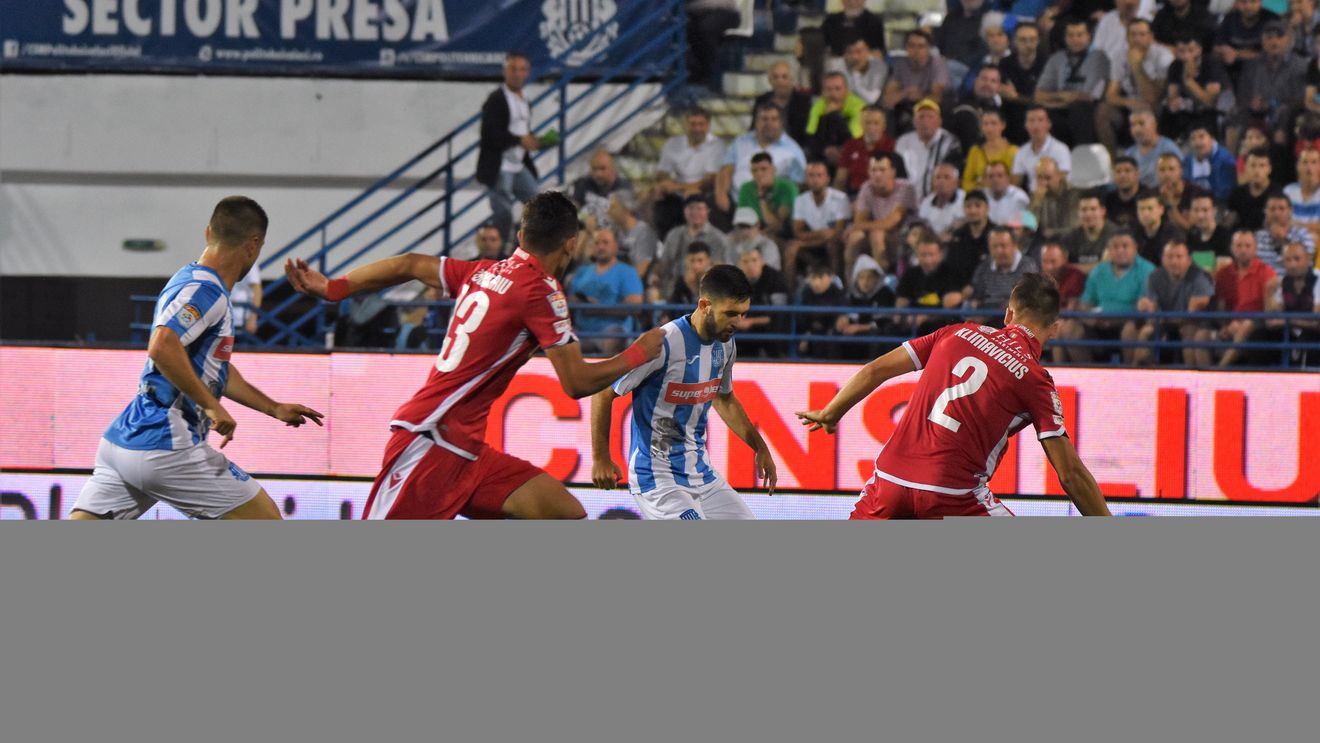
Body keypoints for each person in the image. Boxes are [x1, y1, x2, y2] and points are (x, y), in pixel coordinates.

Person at [285, 191, 664, 519]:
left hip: (466, 450)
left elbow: (409, 263)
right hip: (430, 439)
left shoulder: (483, 271)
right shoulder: (541, 291)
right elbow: (577, 382)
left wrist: (336, 287)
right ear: (570, 244)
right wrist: (639, 352)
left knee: (564, 512)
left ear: (520, 235)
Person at [73, 197, 324, 520]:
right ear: (253, 246)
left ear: (208, 232)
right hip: (167, 445)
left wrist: (272, 408)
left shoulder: (188, 280)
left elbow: (214, 369)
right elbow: (162, 346)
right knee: (266, 520)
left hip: (123, 443)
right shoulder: (207, 292)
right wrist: (211, 404)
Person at [797, 273, 1111, 518]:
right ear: (1054, 329)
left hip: (888, 482)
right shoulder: (1036, 379)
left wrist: (832, 412)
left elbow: (875, 370)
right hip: (952, 495)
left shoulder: (955, 332)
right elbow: (1069, 474)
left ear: (1008, 314)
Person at [591, 265, 777, 519]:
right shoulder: (662, 343)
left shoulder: (726, 344)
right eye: (730, 313)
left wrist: (759, 447)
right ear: (704, 305)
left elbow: (724, 399)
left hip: (701, 473)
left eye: (743, 314)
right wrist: (601, 457)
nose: (738, 323)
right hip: (656, 477)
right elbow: (603, 391)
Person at [1057, 231, 1158, 363]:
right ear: (1109, 250)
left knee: (1130, 330)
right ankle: (1086, 374)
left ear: (1135, 249)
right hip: (1099, 324)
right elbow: (1086, 302)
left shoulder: (1147, 270)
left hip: (1130, 322)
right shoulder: (1098, 270)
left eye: (1125, 246)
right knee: (1069, 328)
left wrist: (1116, 319)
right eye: (1115, 247)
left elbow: (1143, 307)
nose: (1120, 251)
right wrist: (1088, 316)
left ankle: (1129, 375)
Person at [477, 52, 540, 244]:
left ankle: (531, 245)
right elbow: (489, 133)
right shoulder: (496, 99)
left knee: (538, 205)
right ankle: (502, 250)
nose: (518, 74)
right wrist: (519, 140)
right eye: (513, 69)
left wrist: (531, 142)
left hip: (518, 164)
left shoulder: (525, 99)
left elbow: (522, 130)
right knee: (503, 211)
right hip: (500, 165)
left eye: (522, 69)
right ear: (505, 71)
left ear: (528, 73)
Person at [1123, 239, 1216, 367]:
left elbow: (1191, 315)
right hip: (1164, 322)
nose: (1174, 261)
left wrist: (1161, 316)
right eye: (1170, 257)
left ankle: (1191, 378)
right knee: (1141, 331)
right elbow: (1152, 310)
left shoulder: (1200, 277)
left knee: (1189, 332)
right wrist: (1147, 308)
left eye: (1179, 257)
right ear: (1162, 259)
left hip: (1193, 323)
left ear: (1188, 260)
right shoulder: (1155, 276)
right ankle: (1134, 373)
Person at [717, 103, 807, 218]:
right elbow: (726, 170)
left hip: (772, 208)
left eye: (774, 119)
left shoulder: (793, 150)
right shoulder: (740, 142)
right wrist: (721, 195)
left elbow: (798, 185)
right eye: (764, 119)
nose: (768, 123)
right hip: (736, 203)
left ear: (781, 123)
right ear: (756, 122)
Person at [1096, 19, 1174, 152]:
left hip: (1159, 107)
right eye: (1133, 34)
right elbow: (1110, 95)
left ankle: (1148, 155)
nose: (1137, 39)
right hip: (1132, 104)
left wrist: (1137, 66)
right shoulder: (1120, 56)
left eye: (1142, 34)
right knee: (1103, 111)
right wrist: (1129, 102)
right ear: (1127, 37)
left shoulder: (1163, 56)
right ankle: (1112, 163)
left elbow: (1153, 97)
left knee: (1147, 109)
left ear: (1151, 37)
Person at [567, 228, 645, 355]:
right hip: (581, 332)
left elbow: (635, 306)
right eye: (597, 243)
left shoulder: (627, 272)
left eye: (605, 242)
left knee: (615, 334)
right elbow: (569, 300)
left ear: (616, 246)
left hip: (611, 332)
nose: (601, 247)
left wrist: (598, 309)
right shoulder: (581, 272)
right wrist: (581, 301)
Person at [1035, 19, 1111, 146]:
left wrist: (1055, 98)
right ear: (1065, 38)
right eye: (1071, 35)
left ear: (1088, 37)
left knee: (1079, 109)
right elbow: (1039, 95)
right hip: (1060, 108)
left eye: (1080, 35)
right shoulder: (1056, 58)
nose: (1075, 39)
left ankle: (1083, 154)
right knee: (1042, 113)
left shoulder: (1099, 57)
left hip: (1088, 110)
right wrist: (1062, 97)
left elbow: (1088, 97)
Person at [1214, 230, 1280, 366]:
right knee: (1200, 335)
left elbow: (1269, 308)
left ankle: (1220, 369)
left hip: (1258, 324)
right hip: (1231, 323)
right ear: (1231, 248)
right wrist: (1225, 326)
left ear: (1255, 248)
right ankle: (1197, 374)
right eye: (1239, 246)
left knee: (1246, 325)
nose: (1243, 250)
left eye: (1247, 246)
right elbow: (1221, 307)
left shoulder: (1267, 272)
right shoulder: (1223, 273)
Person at [844, 153, 916, 275]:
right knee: (854, 237)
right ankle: (851, 285)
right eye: (873, 170)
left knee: (876, 235)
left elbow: (891, 223)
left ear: (893, 172)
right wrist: (857, 227)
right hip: (878, 233)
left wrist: (857, 226)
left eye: (882, 170)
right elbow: (859, 220)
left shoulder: (905, 188)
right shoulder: (867, 187)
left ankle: (881, 282)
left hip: (903, 235)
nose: (877, 175)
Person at [652, 194, 734, 301]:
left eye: (699, 209)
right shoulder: (674, 234)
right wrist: (654, 276)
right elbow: (665, 262)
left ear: (707, 211)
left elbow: (724, 269)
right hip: (673, 287)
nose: (695, 213)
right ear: (684, 211)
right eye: (691, 208)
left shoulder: (719, 239)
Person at [787, 160, 851, 282]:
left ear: (827, 178)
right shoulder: (800, 200)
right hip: (814, 243)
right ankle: (789, 294)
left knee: (832, 244)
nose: (815, 180)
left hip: (835, 244)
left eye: (819, 175)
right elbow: (798, 232)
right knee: (791, 248)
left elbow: (837, 233)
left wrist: (805, 242)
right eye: (811, 176)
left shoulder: (840, 198)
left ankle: (836, 285)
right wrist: (823, 233)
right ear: (806, 179)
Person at [1161, 33, 1230, 143]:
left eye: (1190, 50)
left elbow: (1209, 102)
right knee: (1166, 114)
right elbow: (1172, 95)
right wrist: (1173, 103)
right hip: (1185, 110)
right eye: (1182, 51)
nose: (1186, 56)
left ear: (1199, 49)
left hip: (1208, 112)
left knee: (1205, 117)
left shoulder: (1211, 63)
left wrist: (1188, 81)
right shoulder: (1175, 65)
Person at [894, 99, 963, 202]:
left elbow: (951, 174)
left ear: (939, 121)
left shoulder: (950, 142)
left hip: (938, 201)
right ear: (914, 121)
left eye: (930, 117)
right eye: (921, 116)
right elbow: (898, 174)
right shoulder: (903, 142)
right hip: (908, 201)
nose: (925, 121)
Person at [896, 234, 966, 335]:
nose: (928, 260)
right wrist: (906, 317)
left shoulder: (951, 272)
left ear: (940, 254)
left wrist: (925, 317)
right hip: (913, 324)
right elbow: (901, 304)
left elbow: (951, 305)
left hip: (941, 326)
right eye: (923, 255)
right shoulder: (910, 274)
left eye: (931, 254)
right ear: (917, 255)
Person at [882, 31, 951, 132]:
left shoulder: (937, 64)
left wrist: (920, 96)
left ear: (928, 49)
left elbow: (937, 97)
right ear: (906, 48)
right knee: (886, 113)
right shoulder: (900, 65)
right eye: (912, 46)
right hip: (907, 106)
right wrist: (906, 93)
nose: (916, 50)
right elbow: (888, 99)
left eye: (921, 46)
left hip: (932, 108)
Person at [961, 225, 1040, 311]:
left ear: (1014, 246)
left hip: (1015, 317)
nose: (999, 251)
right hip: (985, 314)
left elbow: (1027, 300)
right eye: (994, 247)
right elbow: (975, 294)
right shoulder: (984, 266)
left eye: (1003, 246)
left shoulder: (1028, 267)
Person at [736, 245, 789, 358]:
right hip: (742, 332)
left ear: (762, 261)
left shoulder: (776, 280)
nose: (750, 265)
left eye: (754, 260)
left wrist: (752, 321)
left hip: (771, 331)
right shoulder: (735, 281)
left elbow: (780, 313)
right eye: (745, 261)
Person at [1000, 21, 1049, 140]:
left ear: (1038, 41)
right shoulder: (1005, 63)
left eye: (1032, 39)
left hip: (1041, 112)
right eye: (1023, 40)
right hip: (1012, 113)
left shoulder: (1047, 63)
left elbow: (1045, 99)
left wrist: (1017, 97)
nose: (1028, 44)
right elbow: (1003, 93)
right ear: (1015, 41)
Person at [805, 71, 867, 165]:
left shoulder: (858, 107)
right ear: (823, 92)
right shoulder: (818, 106)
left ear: (846, 91)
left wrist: (834, 115)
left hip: (854, 154)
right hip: (826, 155)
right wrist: (825, 150)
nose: (833, 93)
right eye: (828, 89)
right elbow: (810, 136)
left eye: (838, 89)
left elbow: (853, 139)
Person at [834, 105, 896, 196]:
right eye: (867, 123)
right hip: (854, 195)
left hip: (884, 196)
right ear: (861, 124)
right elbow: (840, 179)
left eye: (876, 123)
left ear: (884, 125)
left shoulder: (893, 145)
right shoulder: (851, 145)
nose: (871, 127)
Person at [737, 152, 799, 239]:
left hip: (784, 231)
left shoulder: (787, 188)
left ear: (773, 170)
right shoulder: (746, 188)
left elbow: (777, 225)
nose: (759, 174)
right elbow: (742, 220)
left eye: (763, 169)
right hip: (754, 229)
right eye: (754, 170)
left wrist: (762, 198)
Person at [751, 61, 813, 148]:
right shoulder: (761, 101)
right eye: (775, 77)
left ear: (792, 79)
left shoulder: (804, 102)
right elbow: (754, 130)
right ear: (770, 80)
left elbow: (810, 134)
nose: (780, 81)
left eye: (785, 77)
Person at [1012, 105, 1072, 192]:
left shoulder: (1061, 149)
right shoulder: (1021, 152)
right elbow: (1015, 183)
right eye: (1031, 121)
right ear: (1026, 125)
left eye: (1040, 120)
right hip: (1031, 197)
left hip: (1055, 194)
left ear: (1048, 124)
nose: (1036, 125)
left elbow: (1064, 180)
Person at [1255, 193, 1316, 272]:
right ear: (1265, 212)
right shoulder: (1257, 237)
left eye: (1281, 208)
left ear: (1290, 211)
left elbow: (1307, 265)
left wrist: (1284, 240)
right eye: (1272, 209)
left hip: (1292, 281)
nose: (1276, 213)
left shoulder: (1303, 234)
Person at [572, 150, 632, 229]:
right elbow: (574, 207)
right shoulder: (585, 183)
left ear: (613, 168)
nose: (598, 174)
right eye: (594, 169)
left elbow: (628, 220)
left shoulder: (623, 188)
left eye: (602, 168)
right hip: (586, 231)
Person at [962, 108, 1018, 193]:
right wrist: (978, 186)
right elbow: (966, 181)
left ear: (1003, 125)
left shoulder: (1014, 151)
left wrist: (993, 184)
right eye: (985, 124)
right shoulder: (975, 151)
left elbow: (1015, 182)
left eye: (994, 123)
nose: (989, 128)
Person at [1124, 109, 1182, 190]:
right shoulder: (1129, 154)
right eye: (1133, 125)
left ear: (1154, 125)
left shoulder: (1169, 149)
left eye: (1141, 123)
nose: (1137, 129)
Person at [1061, 194, 1121, 271]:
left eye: (1093, 209)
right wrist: (1099, 265)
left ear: (1103, 211)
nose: (1088, 214)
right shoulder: (1069, 238)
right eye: (1084, 210)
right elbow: (1063, 268)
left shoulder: (1116, 235)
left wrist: (1075, 268)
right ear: (1078, 212)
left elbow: (1109, 269)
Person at [947, 189, 994, 285]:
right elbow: (951, 266)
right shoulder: (958, 236)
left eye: (977, 205)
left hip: (990, 288)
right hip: (960, 288)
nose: (973, 210)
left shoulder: (997, 235)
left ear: (987, 208)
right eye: (968, 206)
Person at [1226, 147, 1277, 231]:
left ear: (1269, 169)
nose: (1257, 170)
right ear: (1246, 167)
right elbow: (1229, 223)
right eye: (1253, 165)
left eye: (1262, 166)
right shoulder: (1236, 193)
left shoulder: (1276, 194)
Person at [1030, 156, 1080, 241]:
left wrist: (1050, 233)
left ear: (1059, 176)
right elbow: (1030, 228)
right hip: (1044, 244)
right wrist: (1036, 203)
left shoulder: (1073, 194)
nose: (1043, 183)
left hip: (1069, 242)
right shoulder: (1036, 196)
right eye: (1039, 178)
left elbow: (1074, 228)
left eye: (1047, 178)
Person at [1183, 126, 1238, 202]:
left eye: (1201, 137)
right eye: (1193, 138)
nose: (1197, 142)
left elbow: (1225, 194)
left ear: (1212, 139)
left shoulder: (1226, 160)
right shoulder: (1188, 160)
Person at [827, 38, 887, 108]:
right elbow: (830, 94)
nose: (854, 57)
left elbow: (870, 100)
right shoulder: (834, 65)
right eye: (849, 52)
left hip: (867, 110)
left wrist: (855, 74)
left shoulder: (878, 66)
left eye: (859, 52)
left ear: (868, 52)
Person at [1132, 190, 1186, 265]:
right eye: (1141, 209)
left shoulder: (1173, 234)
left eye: (1150, 208)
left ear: (1161, 210)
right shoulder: (1132, 233)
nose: (1145, 213)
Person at [918, 163, 967, 240]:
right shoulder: (926, 202)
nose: (941, 181)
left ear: (957, 183)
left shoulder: (965, 199)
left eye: (946, 177)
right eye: (937, 177)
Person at [1186, 193, 1234, 270]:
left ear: (1214, 211)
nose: (1200, 215)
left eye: (1205, 210)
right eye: (1196, 210)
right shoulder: (1191, 236)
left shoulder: (1225, 236)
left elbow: (1225, 267)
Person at [729, 207, 783, 271]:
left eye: (748, 226)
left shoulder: (768, 246)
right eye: (741, 227)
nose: (745, 231)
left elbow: (762, 273)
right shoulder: (732, 246)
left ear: (757, 225)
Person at [1039, 241, 1088, 309]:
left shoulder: (1075, 277)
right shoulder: (1038, 280)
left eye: (1053, 261)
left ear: (1065, 259)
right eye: (1044, 261)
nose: (1049, 267)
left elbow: (1071, 311)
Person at [983, 161, 1031, 227]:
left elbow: (1026, 225)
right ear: (985, 180)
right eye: (991, 176)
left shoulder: (1020, 198)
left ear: (1008, 178)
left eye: (1000, 176)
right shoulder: (981, 197)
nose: (995, 180)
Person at [1103, 156, 1144, 230]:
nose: (1122, 175)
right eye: (1118, 171)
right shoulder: (1108, 200)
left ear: (1137, 174)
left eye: (1127, 171)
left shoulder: (1148, 197)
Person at [229, 264, 262, 341]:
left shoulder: (249, 262)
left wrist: (253, 318)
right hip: (225, 317)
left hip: (240, 319)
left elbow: (257, 291)